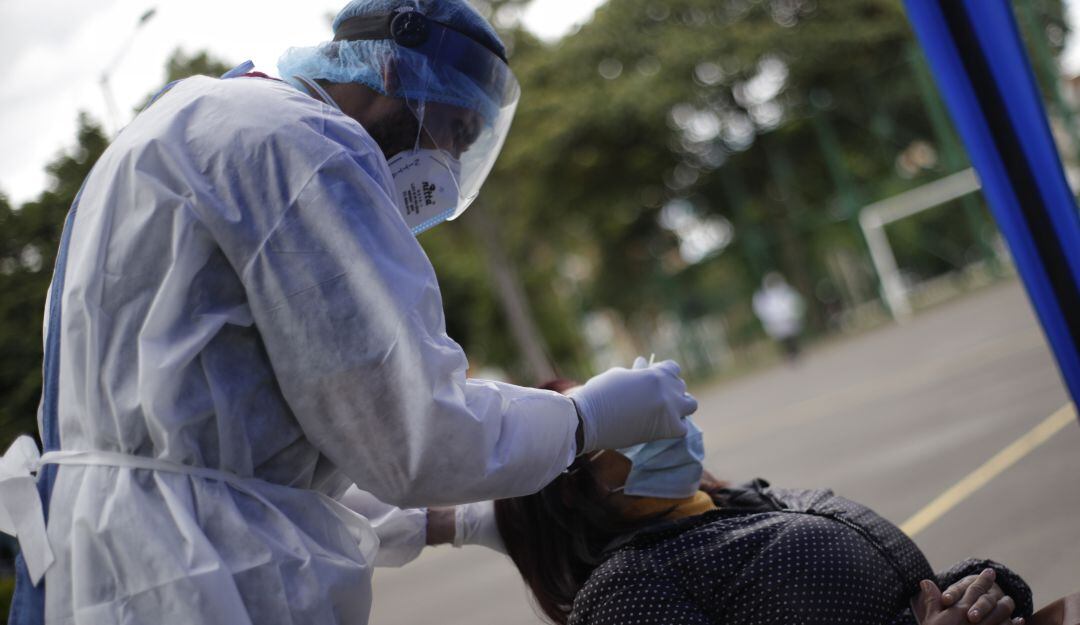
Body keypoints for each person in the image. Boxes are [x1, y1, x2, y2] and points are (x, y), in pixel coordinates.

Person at [0, 1, 698, 623]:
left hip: (114, 557)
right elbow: (415, 435)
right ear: (393, 73)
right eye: (452, 129)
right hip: (196, 578)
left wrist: (458, 520)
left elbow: (256, 460)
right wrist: (587, 417)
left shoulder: (198, 119)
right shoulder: (307, 149)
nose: (447, 162)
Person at [491, 379, 1036, 625]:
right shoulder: (625, 595)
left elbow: (903, 595)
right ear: (572, 487)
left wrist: (977, 590)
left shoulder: (735, 501)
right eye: (622, 423)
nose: (656, 422)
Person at [752, 272, 806, 361]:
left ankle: (795, 352)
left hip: (787, 318)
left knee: (792, 337)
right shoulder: (766, 297)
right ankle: (790, 354)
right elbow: (763, 310)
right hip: (777, 321)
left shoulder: (785, 291)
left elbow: (793, 302)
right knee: (785, 339)